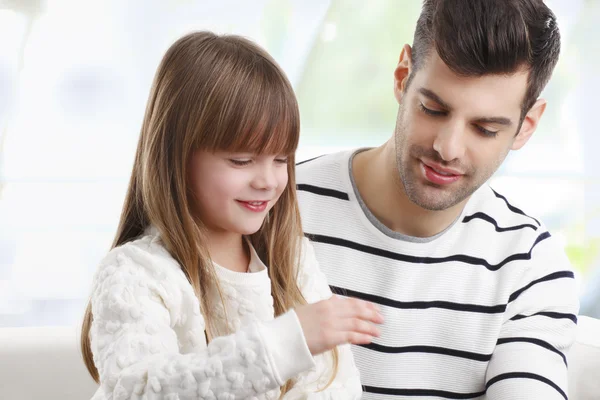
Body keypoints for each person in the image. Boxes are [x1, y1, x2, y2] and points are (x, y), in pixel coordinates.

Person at [296, 0, 579, 398]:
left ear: (526, 126)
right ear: (401, 76)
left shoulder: (529, 267)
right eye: (433, 109)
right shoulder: (276, 207)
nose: (447, 148)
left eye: (484, 129)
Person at [80, 31, 384, 400]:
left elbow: (334, 387)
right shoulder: (134, 274)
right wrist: (284, 344)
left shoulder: (291, 258)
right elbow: (137, 390)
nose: (268, 181)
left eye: (280, 159)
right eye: (241, 160)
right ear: (177, 158)